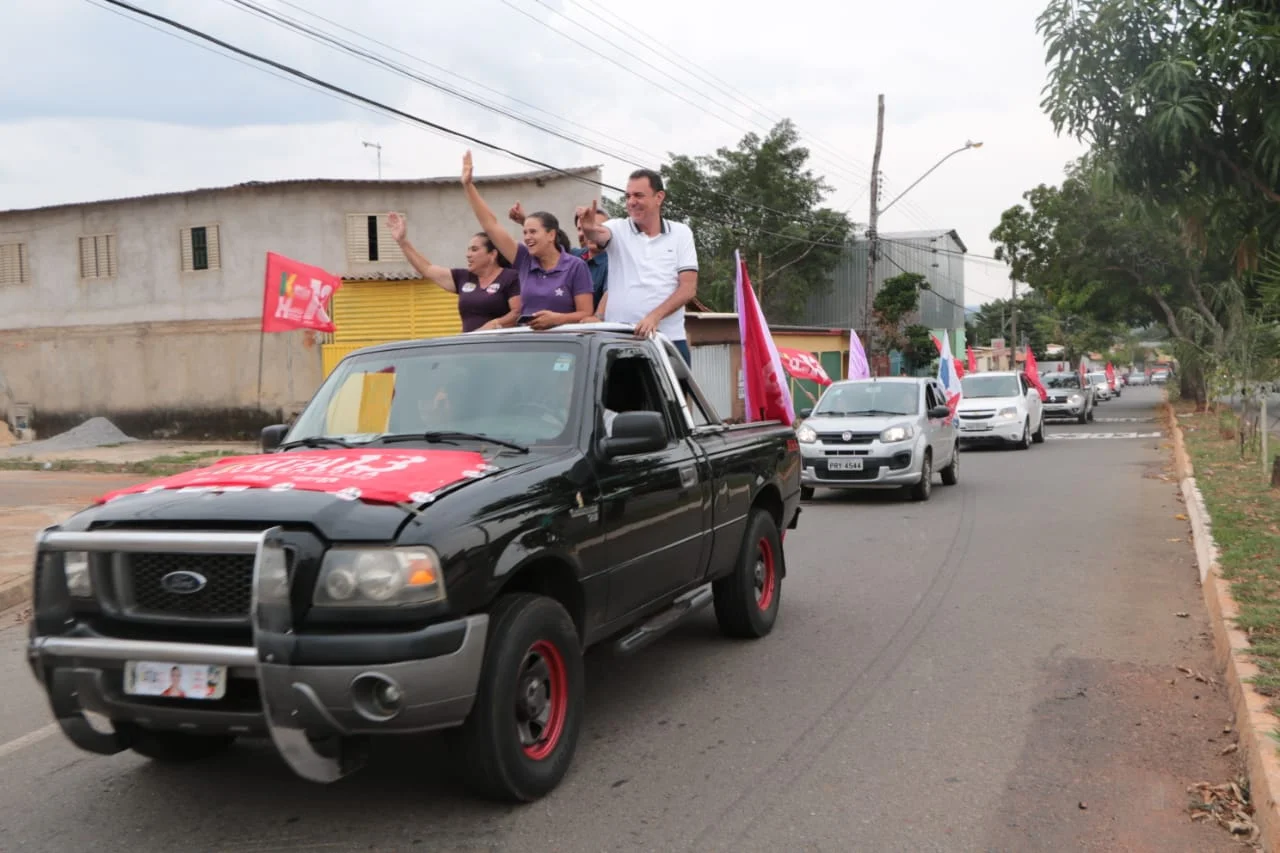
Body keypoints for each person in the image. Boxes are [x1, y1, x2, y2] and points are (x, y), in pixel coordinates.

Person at [576, 168, 698, 364]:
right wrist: (589, 229)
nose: (631, 202)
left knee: (672, 396)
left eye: (639, 195)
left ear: (659, 197)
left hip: (668, 340)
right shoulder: (617, 228)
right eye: (628, 196)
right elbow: (599, 235)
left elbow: (688, 288)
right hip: (620, 341)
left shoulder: (681, 233)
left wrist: (653, 317)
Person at [461, 151, 593, 330]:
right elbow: (491, 226)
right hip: (529, 343)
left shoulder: (575, 266)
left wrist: (557, 319)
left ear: (551, 235)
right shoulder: (524, 259)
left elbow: (586, 313)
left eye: (533, 232)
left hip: (564, 344)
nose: (527, 237)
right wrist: (468, 186)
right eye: (525, 233)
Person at [386, 213, 520, 332]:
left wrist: (494, 325)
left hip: (500, 349)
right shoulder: (463, 277)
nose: (468, 255)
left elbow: (517, 312)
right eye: (468, 250)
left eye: (474, 249)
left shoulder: (511, 277)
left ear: (492, 254)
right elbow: (426, 269)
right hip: (468, 347)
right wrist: (402, 242)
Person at [508, 201, 608, 310]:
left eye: (596, 226)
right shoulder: (574, 255)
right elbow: (551, 239)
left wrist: (598, 317)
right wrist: (526, 221)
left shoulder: (616, 262)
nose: (587, 231)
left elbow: (610, 293)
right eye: (580, 228)